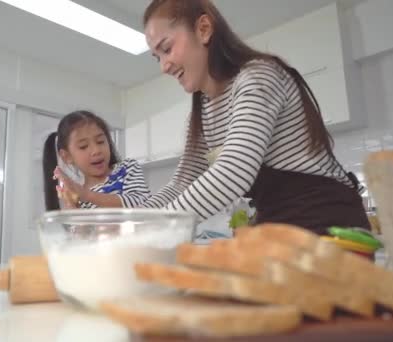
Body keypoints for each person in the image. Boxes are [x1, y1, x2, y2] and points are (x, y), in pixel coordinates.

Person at [139, 0, 370, 234]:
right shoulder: (202, 114)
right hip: (277, 225)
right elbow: (181, 184)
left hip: (331, 222)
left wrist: (160, 227)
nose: (163, 67)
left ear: (203, 29)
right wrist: (131, 223)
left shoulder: (258, 76)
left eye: (166, 49)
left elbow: (234, 170)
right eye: (157, 57)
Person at [42, 110, 151, 210]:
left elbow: (142, 202)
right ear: (67, 157)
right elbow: (83, 231)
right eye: (83, 146)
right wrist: (72, 207)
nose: (96, 150)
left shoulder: (127, 168)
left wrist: (86, 195)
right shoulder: (80, 200)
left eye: (100, 141)